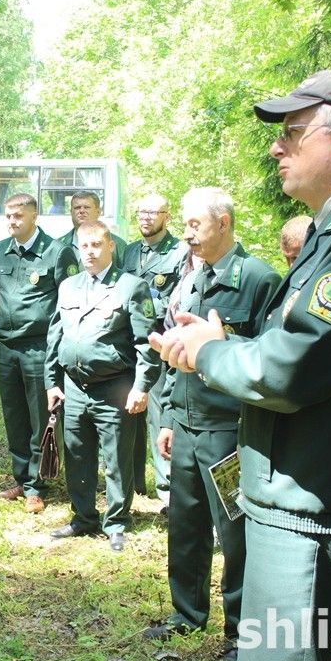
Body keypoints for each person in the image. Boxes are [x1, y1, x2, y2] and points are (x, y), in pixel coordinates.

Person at [152, 70, 331, 661]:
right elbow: (302, 346)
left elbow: (292, 368)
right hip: (296, 493)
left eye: (293, 132)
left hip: (313, 501)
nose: (277, 148)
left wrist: (206, 354)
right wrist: (224, 342)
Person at [144, 188, 280, 661]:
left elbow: (272, 358)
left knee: (236, 533)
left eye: (195, 224)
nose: (186, 233)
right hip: (185, 424)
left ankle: (241, 633)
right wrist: (168, 418)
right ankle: (186, 612)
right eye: (183, 223)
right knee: (185, 525)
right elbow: (173, 355)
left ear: (223, 223)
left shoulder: (259, 280)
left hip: (231, 432)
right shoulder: (188, 278)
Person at [44, 220, 159, 551]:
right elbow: (56, 336)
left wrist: (141, 386)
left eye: (96, 245)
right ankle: (83, 518)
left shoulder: (130, 286)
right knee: (77, 453)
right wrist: (52, 381)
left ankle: (116, 522)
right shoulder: (68, 286)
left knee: (116, 458)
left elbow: (145, 344)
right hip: (75, 386)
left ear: (110, 246)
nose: (90, 252)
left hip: (114, 387)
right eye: (84, 246)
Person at [0, 193, 78, 513]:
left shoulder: (57, 252)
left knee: (40, 417)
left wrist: (58, 353)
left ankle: (36, 484)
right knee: (14, 415)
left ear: (34, 216)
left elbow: (69, 305)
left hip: (39, 347)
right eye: (9, 216)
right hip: (5, 346)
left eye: (19, 215)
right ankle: (21, 477)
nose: (12, 221)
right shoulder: (1, 250)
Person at [119, 194, 187, 503]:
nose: (146, 217)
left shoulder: (179, 252)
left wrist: (143, 307)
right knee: (128, 410)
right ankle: (133, 482)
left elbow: (178, 298)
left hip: (159, 342)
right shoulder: (130, 251)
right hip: (129, 343)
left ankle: (166, 491)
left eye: (153, 212)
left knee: (158, 413)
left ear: (166, 216)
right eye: (141, 211)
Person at [57, 190, 127, 266]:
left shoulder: (118, 245)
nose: (81, 211)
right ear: (71, 212)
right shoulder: (58, 245)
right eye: (77, 208)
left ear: (98, 212)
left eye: (86, 207)